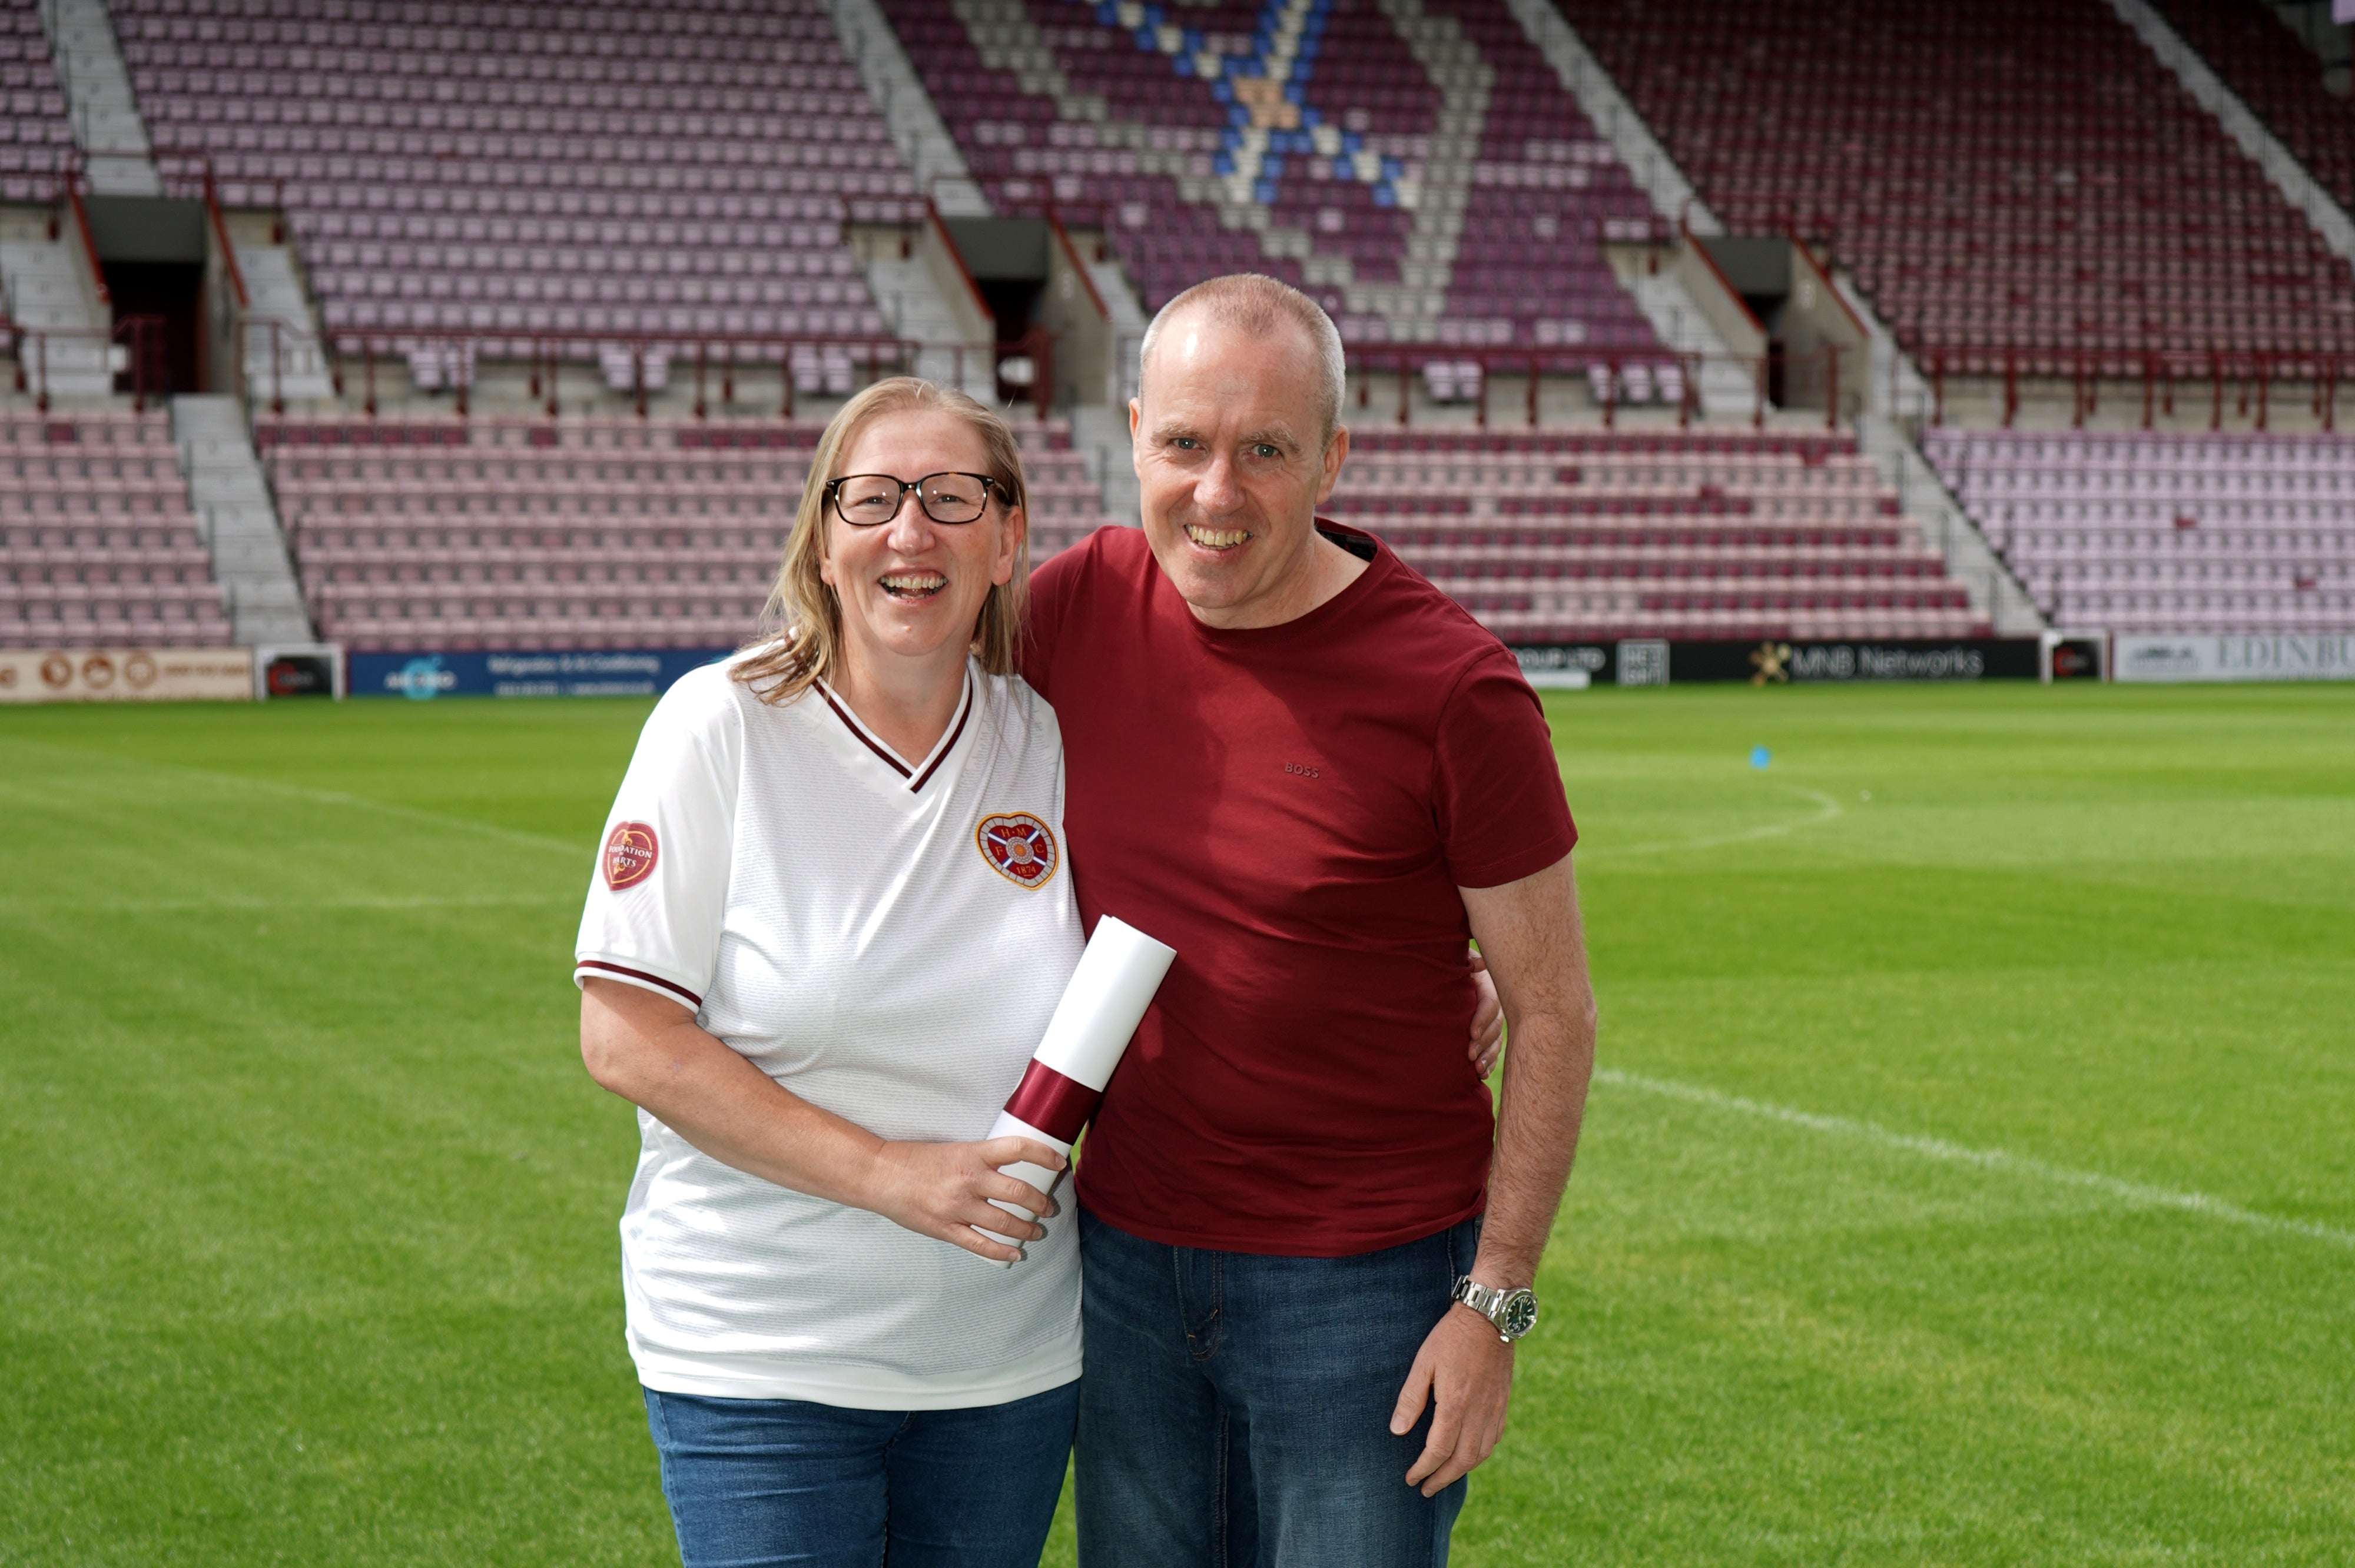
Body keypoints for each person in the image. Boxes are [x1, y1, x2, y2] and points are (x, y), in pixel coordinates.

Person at [1023, 274, 1599, 1566]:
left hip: (1365, 1290)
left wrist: (1494, 1304)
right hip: (1122, 1263)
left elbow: (1556, 1013)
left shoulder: (1454, 688)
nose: (1215, 493)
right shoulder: (1075, 604)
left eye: (1266, 452)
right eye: (1184, 443)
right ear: (1133, 436)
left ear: (1333, 458)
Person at [574, 377, 1087, 1568]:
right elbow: (625, 1037)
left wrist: (1447, 972)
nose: (910, 531)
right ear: (822, 538)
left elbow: (1217, 890)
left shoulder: (1048, 739)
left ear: (1007, 539)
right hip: (762, 1361)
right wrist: (892, 1177)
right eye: (872, 499)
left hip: (1004, 1367)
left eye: (950, 498)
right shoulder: (720, 724)